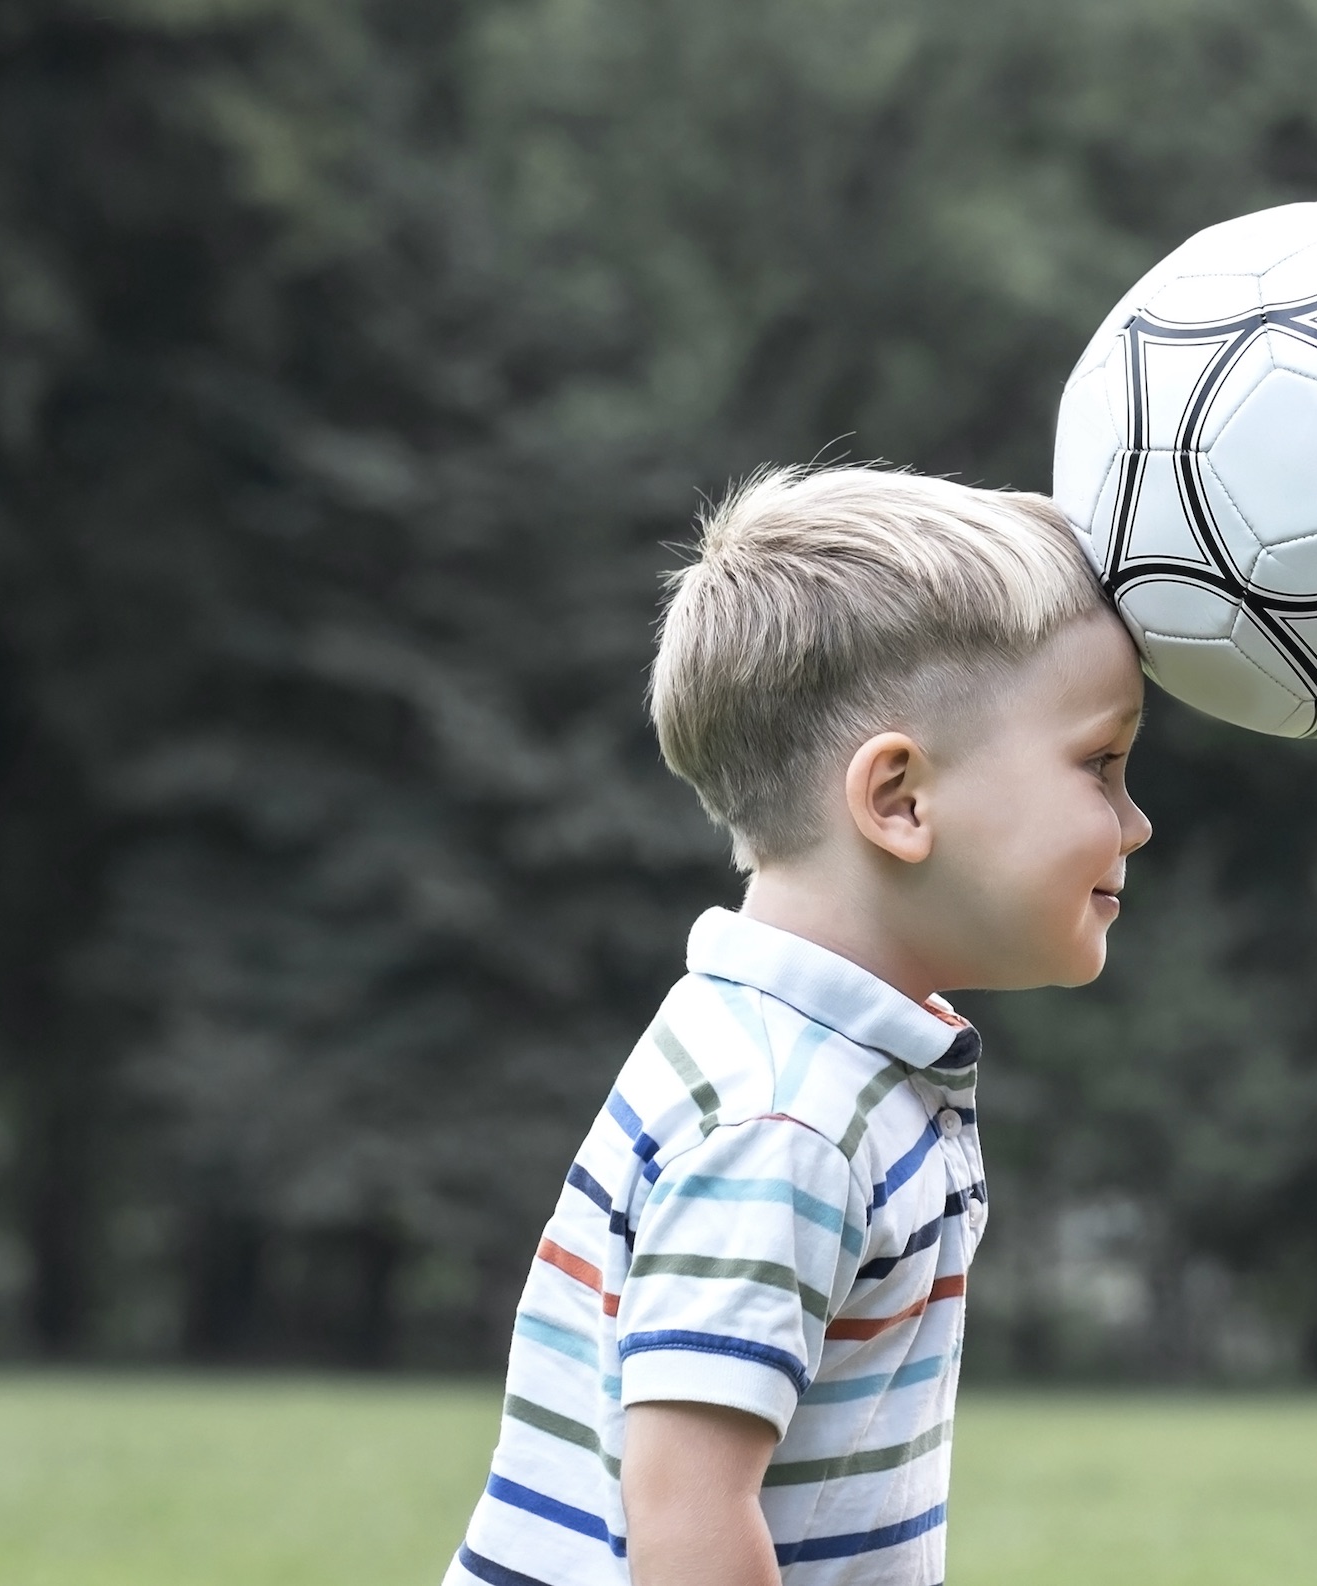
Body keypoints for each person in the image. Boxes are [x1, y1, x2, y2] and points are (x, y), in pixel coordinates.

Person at [446, 466, 1151, 1586]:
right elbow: (686, 1509)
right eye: (1100, 764)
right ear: (901, 800)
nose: (1136, 820)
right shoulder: (786, 1116)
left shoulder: (825, 1063)